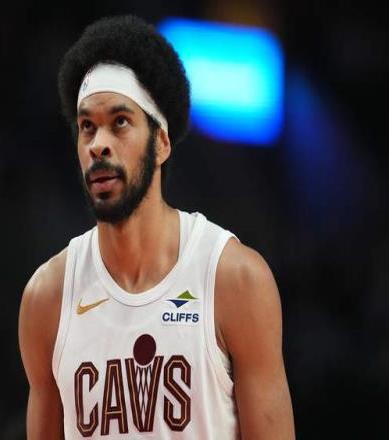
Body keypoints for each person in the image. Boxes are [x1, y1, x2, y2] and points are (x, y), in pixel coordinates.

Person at [19, 15, 295, 440]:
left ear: (161, 142)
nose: (98, 144)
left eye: (120, 122)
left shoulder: (235, 280)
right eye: (87, 126)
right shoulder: (47, 298)